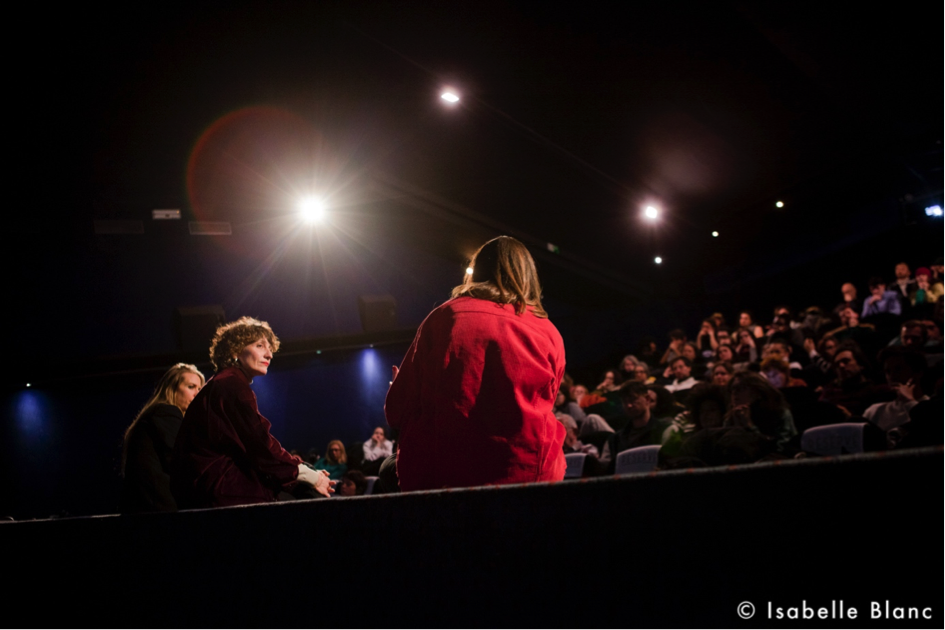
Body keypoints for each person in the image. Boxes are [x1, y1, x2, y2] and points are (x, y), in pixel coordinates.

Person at [385, 236, 566, 491]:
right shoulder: (548, 332)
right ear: (528, 277)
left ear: (477, 271)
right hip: (527, 477)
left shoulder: (445, 317)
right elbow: (547, 402)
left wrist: (397, 389)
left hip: (444, 480)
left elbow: (396, 411)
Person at [171, 317, 333, 508]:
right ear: (235, 350)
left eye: (270, 348)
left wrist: (304, 471)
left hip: (206, 487)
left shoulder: (222, 383)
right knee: (308, 496)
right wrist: (311, 476)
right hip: (220, 490)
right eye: (259, 346)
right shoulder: (231, 385)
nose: (269, 355)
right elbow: (261, 447)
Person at [119, 363, 205, 513]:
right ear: (171, 389)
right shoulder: (166, 413)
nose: (197, 394)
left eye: (199, 389)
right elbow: (182, 462)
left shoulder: (156, 414)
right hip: (161, 511)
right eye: (191, 387)